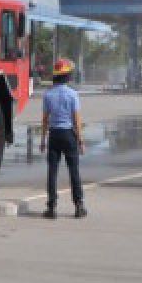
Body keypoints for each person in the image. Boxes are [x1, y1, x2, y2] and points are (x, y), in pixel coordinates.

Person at [40, 58, 87, 219]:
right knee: (73, 171)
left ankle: (51, 207)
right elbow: (76, 120)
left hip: (54, 135)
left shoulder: (48, 95)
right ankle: (79, 206)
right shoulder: (73, 95)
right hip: (69, 135)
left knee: (52, 172)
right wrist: (80, 140)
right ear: (67, 76)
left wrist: (43, 140)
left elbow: (45, 119)